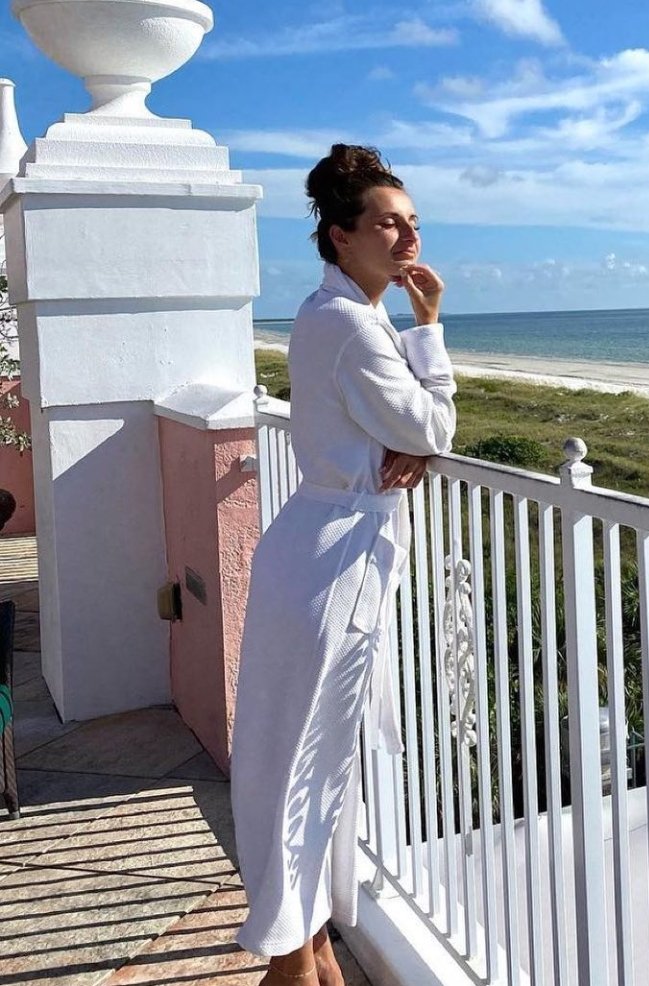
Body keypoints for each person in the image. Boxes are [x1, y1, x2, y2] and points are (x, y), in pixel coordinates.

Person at [230, 144, 456, 985]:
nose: (408, 239)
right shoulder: (351, 325)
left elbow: (405, 431)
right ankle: (288, 953)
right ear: (339, 236)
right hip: (333, 564)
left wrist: (411, 438)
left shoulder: (335, 316)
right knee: (295, 758)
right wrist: (430, 333)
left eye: (413, 223)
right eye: (387, 224)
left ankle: (311, 937)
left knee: (313, 757)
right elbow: (429, 428)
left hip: (322, 548)